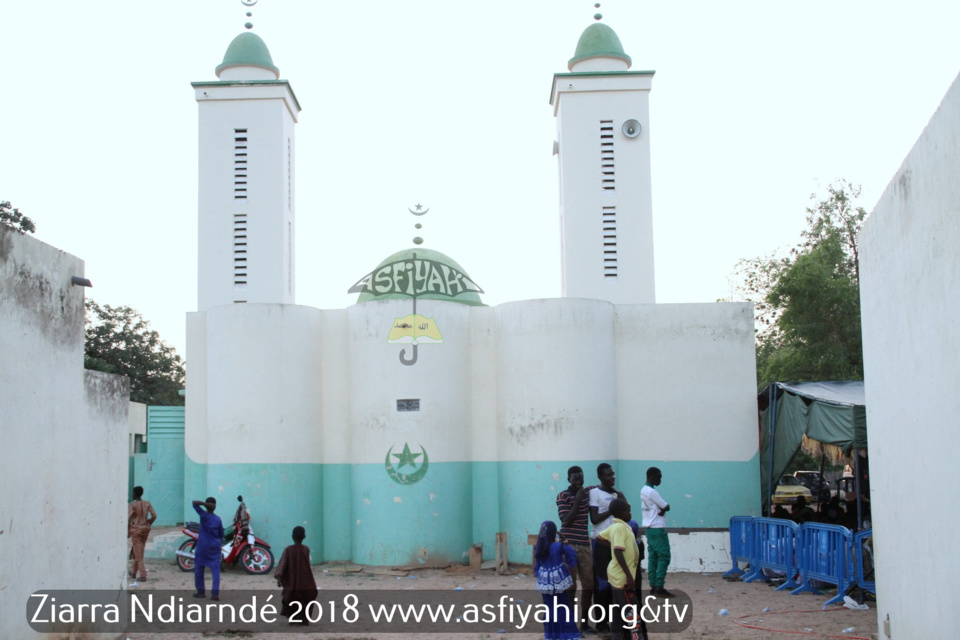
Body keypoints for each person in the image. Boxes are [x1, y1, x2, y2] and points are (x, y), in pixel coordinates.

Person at [597, 499, 647, 640]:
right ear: (620, 513)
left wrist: (612, 546)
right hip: (622, 579)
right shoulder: (619, 528)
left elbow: (599, 538)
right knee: (632, 611)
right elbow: (618, 551)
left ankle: (616, 637)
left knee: (618, 612)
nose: (630, 513)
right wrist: (629, 577)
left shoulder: (617, 527)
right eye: (628, 511)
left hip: (616, 577)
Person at [556, 465, 594, 635]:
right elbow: (566, 521)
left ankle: (584, 625)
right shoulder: (563, 496)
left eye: (581, 478)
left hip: (585, 545)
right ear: (568, 480)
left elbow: (603, 487)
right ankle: (570, 626)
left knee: (589, 585)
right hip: (569, 545)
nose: (578, 482)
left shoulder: (588, 492)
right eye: (574, 479)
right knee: (570, 587)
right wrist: (578, 500)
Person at [589, 462, 624, 633]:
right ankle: (601, 624)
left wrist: (619, 496)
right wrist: (612, 509)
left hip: (615, 543)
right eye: (608, 475)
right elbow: (594, 519)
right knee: (602, 583)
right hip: (601, 543)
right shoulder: (595, 493)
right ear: (600, 477)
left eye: (613, 474)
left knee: (615, 582)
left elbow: (624, 511)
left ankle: (613, 621)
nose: (612, 477)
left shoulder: (615, 494)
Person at [533, 521, 581, 640]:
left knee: (549, 608)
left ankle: (551, 636)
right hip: (559, 580)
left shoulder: (539, 548)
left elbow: (536, 569)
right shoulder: (559, 546)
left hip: (545, 582)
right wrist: (565, 541)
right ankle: (568, 635)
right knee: (563, 606)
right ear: (554, 533)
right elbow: (573, 559)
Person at [275, 526, 319, 624]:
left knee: (291, 598)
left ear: (292, 536)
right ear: (304, 536)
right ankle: (304, 618)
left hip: (291, 580)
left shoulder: (288, 550)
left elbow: (283, 564)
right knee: (306, 597)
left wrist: (279, 577)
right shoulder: (306, 549)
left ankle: (293, 618)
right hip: (305, 579)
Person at [640, 466, 672, 597]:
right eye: (659, 477)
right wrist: (663, 509)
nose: (660, 480)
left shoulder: (643, 490)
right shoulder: (652, 491)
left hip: (649, 529)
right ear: (652, 477)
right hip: (658, 528)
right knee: (664, 557)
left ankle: (653, 585)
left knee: (653, 558)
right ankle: (659, 586)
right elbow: (666, 506)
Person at [192, 497, 224, 600]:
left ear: (207, 505)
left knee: (199, 568)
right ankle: (215, 594)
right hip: (215, 546)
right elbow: (221, 534)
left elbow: (194, 503)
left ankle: (201, 592)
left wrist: (204, 504)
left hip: (203, 546)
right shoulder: (218, 519)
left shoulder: (204, 515)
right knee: (215, 570)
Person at [127, 486, 157, 582]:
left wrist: (128, 530)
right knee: (138, 550)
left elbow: (129, 518)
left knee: (138, 552)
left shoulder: (132, 505)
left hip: (136, 530)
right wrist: (148, 522)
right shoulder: (147, 503)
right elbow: (154, 515)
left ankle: (143, 574)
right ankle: (133, 572)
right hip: (145, 530)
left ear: (135, 494)